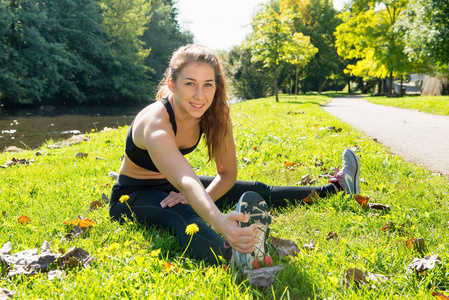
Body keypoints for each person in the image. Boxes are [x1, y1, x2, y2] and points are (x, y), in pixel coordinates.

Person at [109, 44, 360, 269]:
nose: (200, 95)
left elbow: (227, 174)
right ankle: (235, 257)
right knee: (183, 216)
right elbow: (186, 179)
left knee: (258, 189)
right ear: (172, 84)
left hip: (172, 185)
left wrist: (200, 198)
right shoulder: (156, 121)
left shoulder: (214, 113)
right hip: (134, 194)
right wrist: (219, 221)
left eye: (208, 84)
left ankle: (336, 189)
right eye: (190, 83)